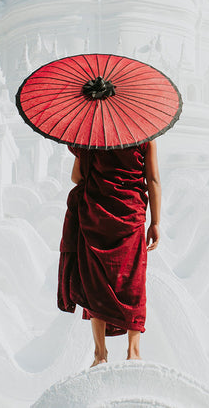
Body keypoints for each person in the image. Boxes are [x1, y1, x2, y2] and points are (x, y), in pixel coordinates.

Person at [57, 138, 162, 366]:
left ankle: (100, 354)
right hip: (131, 215)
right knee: (133, 281)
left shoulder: (90, 138)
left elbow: (77, 178)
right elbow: (153, 179)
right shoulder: (144, 138)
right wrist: (155, 222)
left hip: (96, 216)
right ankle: (133, 352)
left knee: (96, 282)